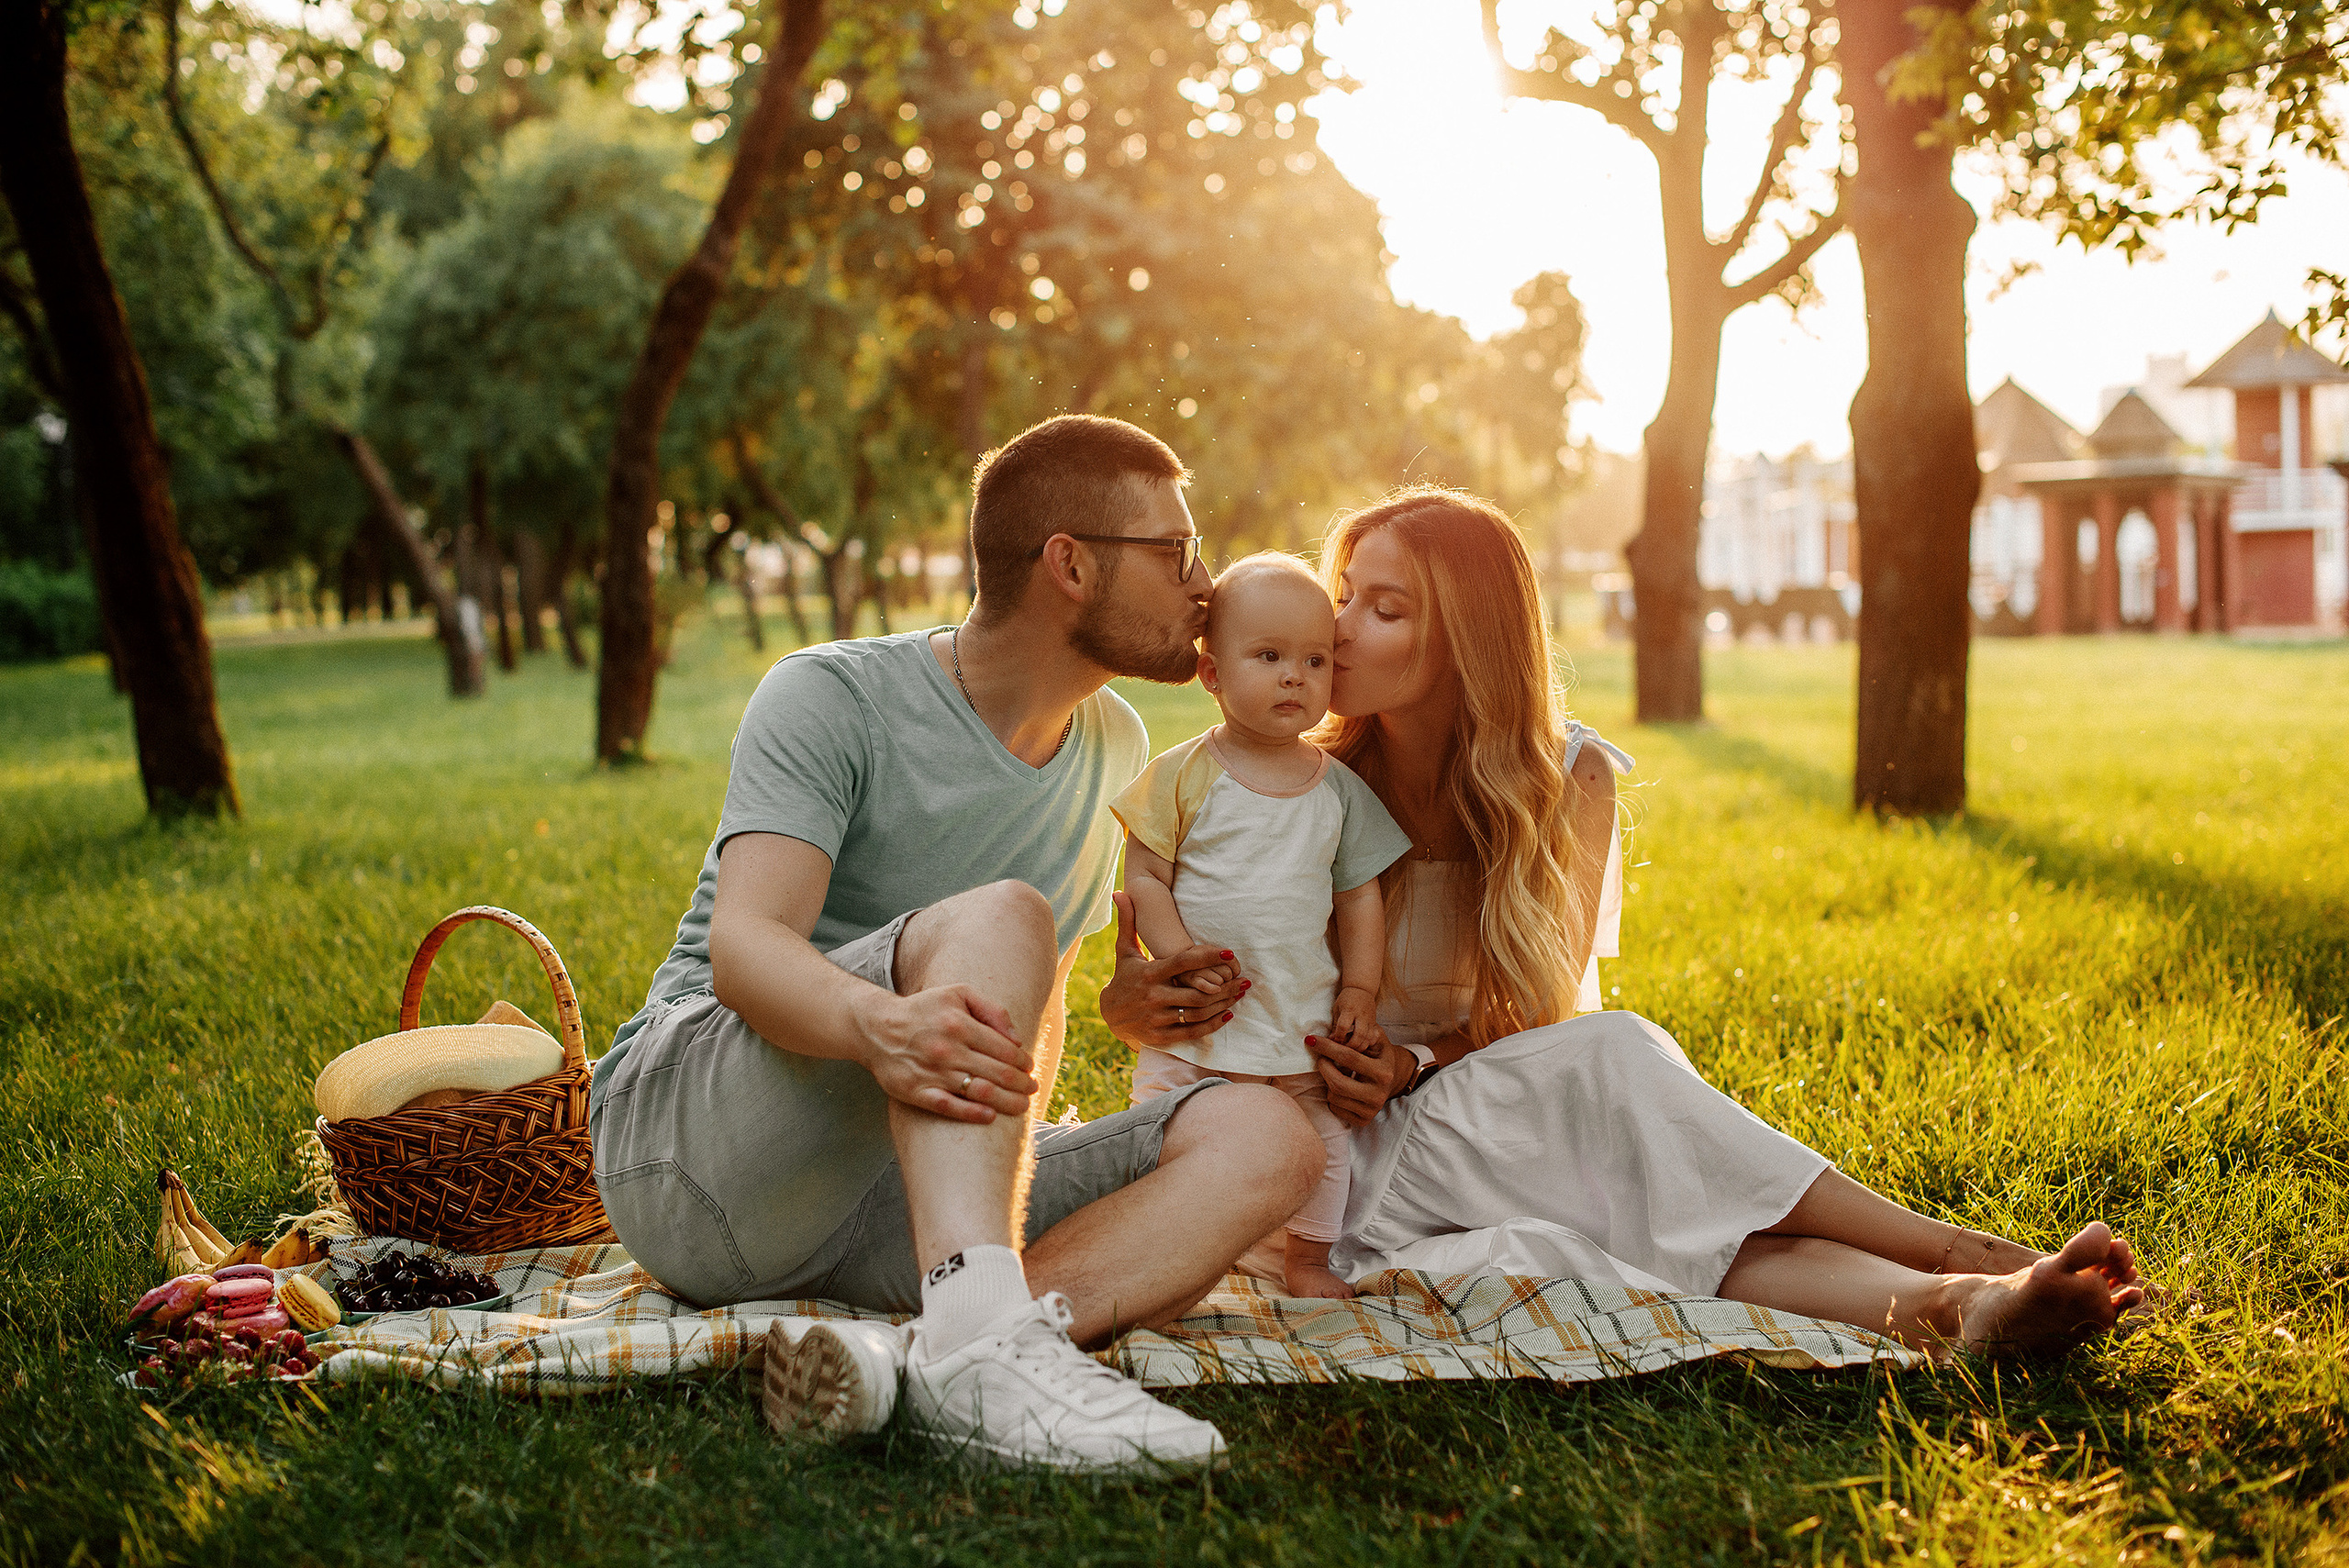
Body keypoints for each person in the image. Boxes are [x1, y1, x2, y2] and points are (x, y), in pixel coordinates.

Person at [1097, 486, 2146, 1359]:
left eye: (1384, 606)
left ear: (1466, 629)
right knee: (1620, 1072)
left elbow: (1536, 1024)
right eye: (1342, 597)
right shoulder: (1274, 783)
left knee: (1665, 1202)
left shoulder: (1568, 778)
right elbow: (1146, 990)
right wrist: (1140, 1001)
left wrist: (1412, 1061)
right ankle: (1951, 1248)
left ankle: (1955, 1304)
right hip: (1320, 1149)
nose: (1334, 630)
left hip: (1483, 1110)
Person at [588, 415, 1323, 1473]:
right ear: (1068, 563)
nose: (1204, 586)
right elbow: (747, 950)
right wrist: (879, 1026)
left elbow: (1041, 994)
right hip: (689, 1153)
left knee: (1269, 1137)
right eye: (1174, 552)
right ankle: (982, 1342)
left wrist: (1130, 1011)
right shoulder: (831, 694)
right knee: (1003, 911)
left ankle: (935, 1354)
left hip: (889, 1203)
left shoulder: (1113, 741)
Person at [1113, 554, 1412, 1301]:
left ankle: (1309, 1259)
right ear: (1212, 675)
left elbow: (1359, 895)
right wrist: (1176, 950)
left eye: (1314, 660)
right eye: (1269, 657)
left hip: (1299, 1018)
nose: (1294, 677)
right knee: (1160, 1127)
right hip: (1201, 1022)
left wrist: (1363, 988)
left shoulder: (1337, 789)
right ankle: (1154, 1246)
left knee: (1324, 1144)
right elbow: (1145, 875)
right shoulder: (1183, 774)